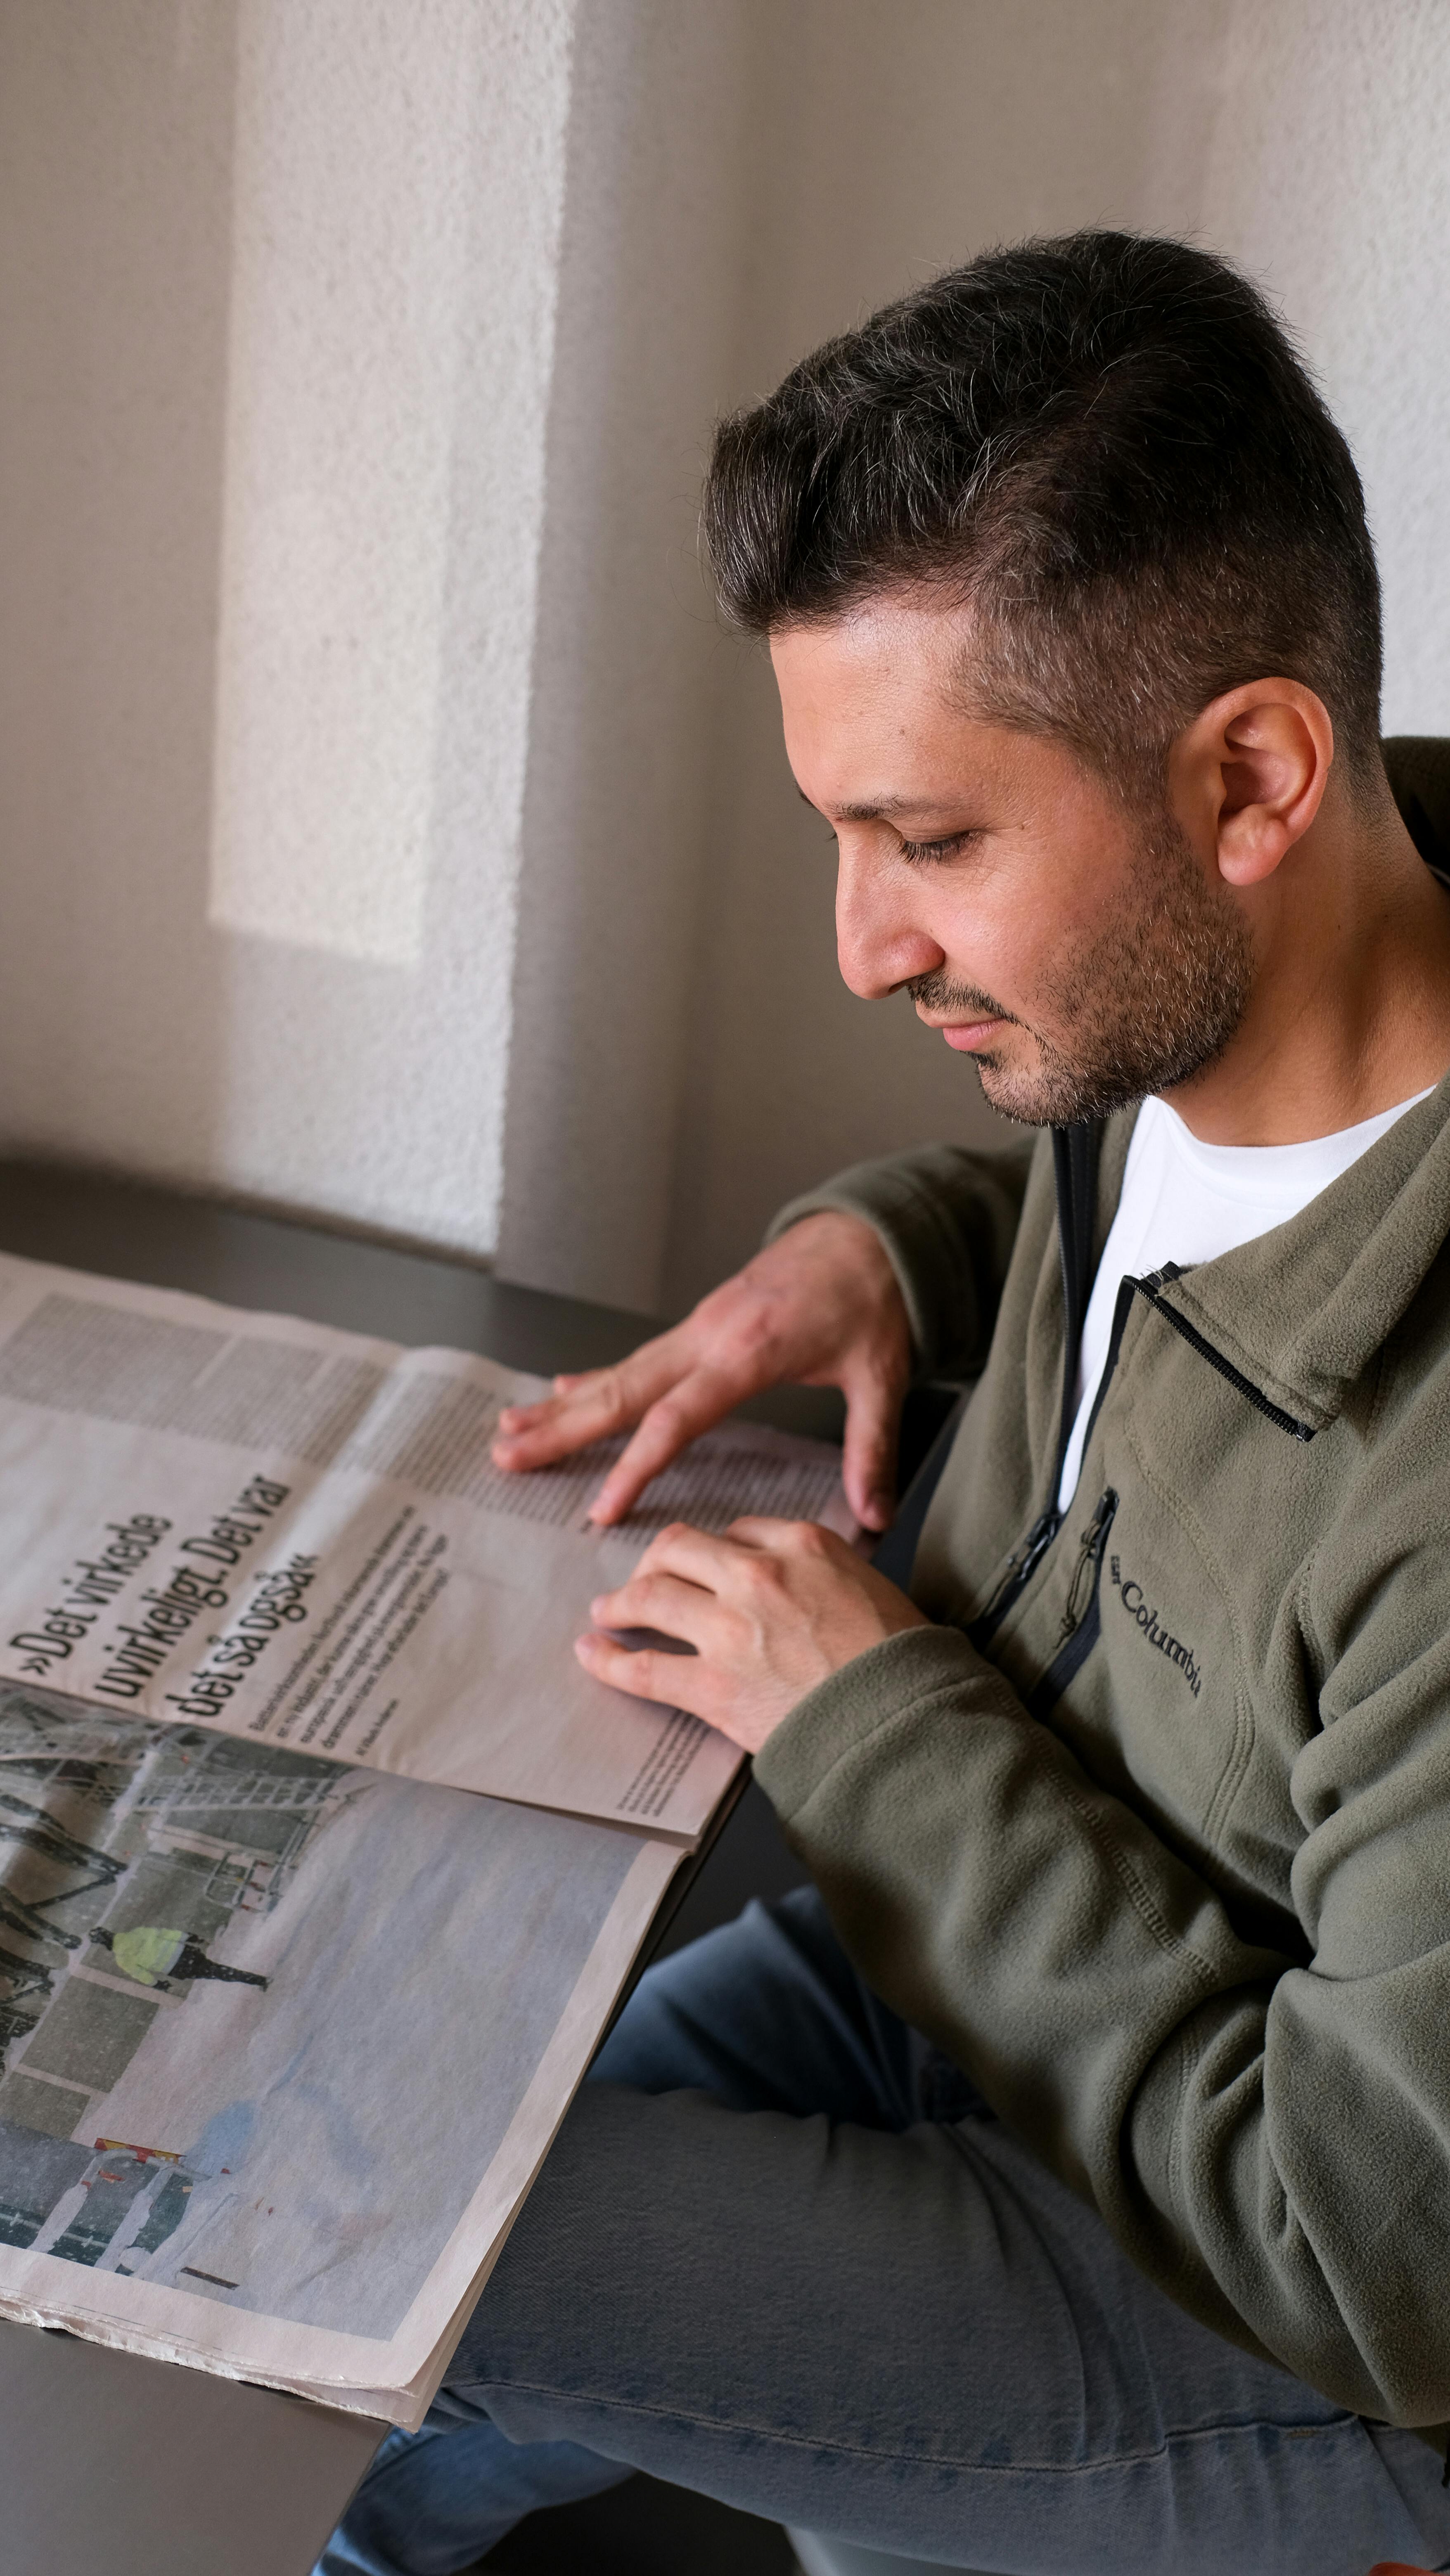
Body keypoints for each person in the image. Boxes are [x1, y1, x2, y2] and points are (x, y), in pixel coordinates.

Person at [316, 233, 1450, 2576]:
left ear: (1250, 771)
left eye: (926, 843)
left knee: (392, 2239)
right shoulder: (1321, 900)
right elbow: (1176, 1196)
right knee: (361, 2151)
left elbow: (1378, 2255)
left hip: (1257, 2316)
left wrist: (874, 1727)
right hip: (975, 1923)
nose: (859, 945)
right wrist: (888, 1249)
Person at [89, 1923, 268, 1992]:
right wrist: (190, 1937)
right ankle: (253, 1979)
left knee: (216, 1973)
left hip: (177, 1968)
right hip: (186, 1953)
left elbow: (140, 1974)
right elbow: (166, 1933)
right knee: (216, 1969)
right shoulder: (137, 1932)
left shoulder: (122, 1959)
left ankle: (256, 1980)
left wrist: (158, 1985)